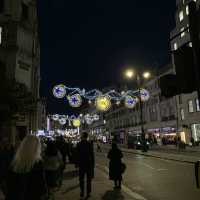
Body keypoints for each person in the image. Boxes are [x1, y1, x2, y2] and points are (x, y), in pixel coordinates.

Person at [5, 135, 48, 200]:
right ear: (36, 147)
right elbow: (40, 184)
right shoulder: (37, 163)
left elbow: (9, 182)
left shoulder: (15, 162)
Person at [76, 132, 95, 198]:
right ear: (86, 137)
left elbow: (77, 155)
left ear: (83, 136)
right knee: (89, 180)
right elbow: (92, 155)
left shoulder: (79, 144)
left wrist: (77, 163)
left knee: (81, 179)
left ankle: (82, 192)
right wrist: (93, 164)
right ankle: (88, 193)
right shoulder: (89, 144)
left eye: (81, 135)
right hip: (88, 164)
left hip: (81, 164)